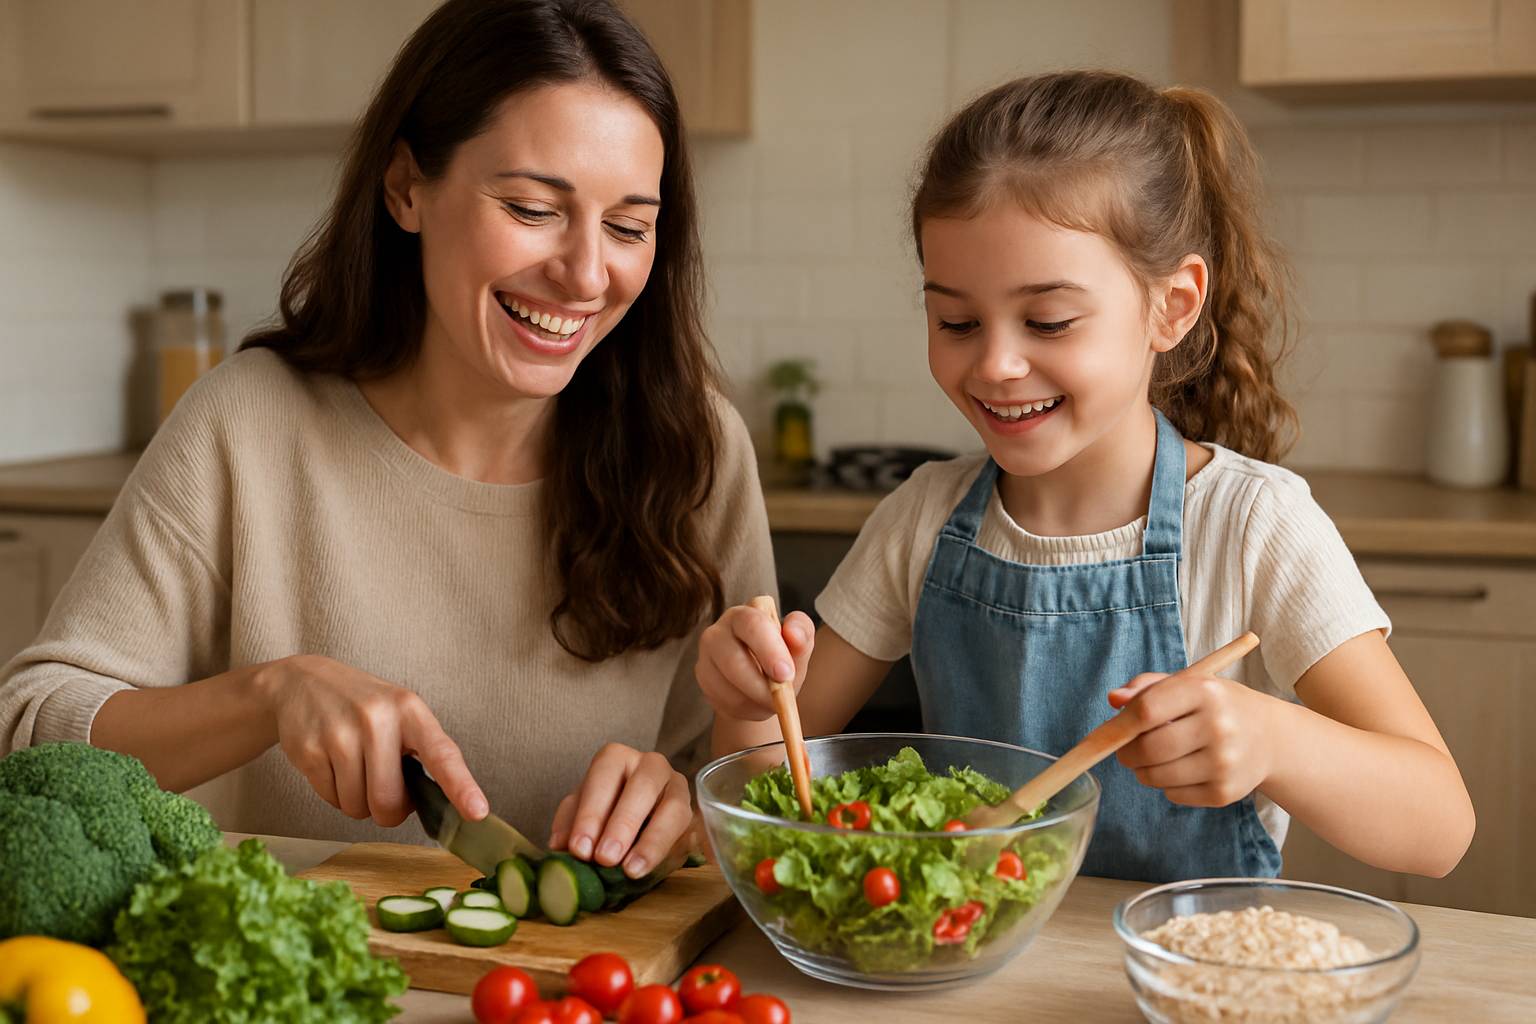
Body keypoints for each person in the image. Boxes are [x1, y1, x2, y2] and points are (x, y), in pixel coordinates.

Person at [0, 0, 775, 881]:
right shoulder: (248, 424)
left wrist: (677, 803)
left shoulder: (697, 451)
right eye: (531, 208)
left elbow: (743, 796)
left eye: (630, 227)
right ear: (407, 187)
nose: (587, 273)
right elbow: (29, 729)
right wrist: (268, 696)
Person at [695, 71, 1473, 883]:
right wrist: (748, 706)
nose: (995, 364)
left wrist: (1273, 742)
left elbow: (1440, 826)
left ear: (1172, 307)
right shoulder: (920, 519)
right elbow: (764, 794)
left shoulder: (1253, 524)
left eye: (1048, 321)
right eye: (956, 321)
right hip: (976, 979)